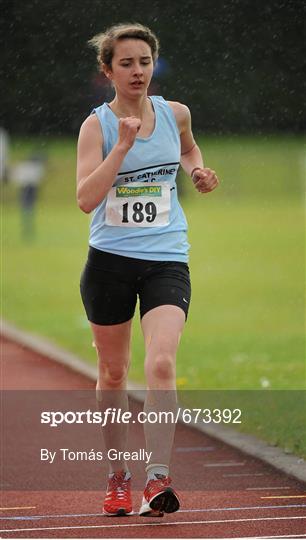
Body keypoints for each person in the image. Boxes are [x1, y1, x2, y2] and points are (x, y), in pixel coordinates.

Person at [77, 22, 219, 518]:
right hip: (109, 264)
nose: (137, 71)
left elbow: (186, 148)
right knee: (113, 372)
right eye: (126, 63)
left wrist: (196, 170)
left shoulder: (175, 113)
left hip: (166, 259)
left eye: (144, 62)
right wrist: (121, 146)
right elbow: (84, 199)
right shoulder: (96, 126)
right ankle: (118, 477)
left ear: (153, 64)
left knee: (160, 364)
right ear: (107, 71)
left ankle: (157, 479)